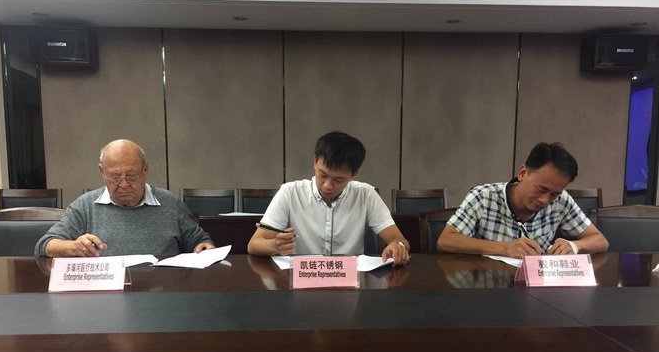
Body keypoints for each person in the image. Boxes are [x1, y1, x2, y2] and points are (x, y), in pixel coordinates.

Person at [247, 131, 410, 265]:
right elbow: (254, 245)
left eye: (339, 180)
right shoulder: (290, 193)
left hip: (349, 282)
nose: (327, 185)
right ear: (315, 162)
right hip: (302, 279)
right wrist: (275, 245)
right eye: (323, 175)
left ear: (353, 175)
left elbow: (400, 240)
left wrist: (398, 245)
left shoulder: (365, 195)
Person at [35, 139, 215, 257]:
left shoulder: (170, 203)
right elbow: (44, 245)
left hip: (161, 292)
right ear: (102, 172)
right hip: (106, 295)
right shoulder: (85, 206)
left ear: (145, 170)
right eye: (114, 177)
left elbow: (199, 241)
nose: (123, 184)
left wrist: (205, 246)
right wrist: (74, 247)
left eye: (131, 176)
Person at [437, 142, 609, 258]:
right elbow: (446, 241)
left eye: (554, 194)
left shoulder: (561, 201)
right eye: (541, 189)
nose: (545, 200)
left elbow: (600, 240)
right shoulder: (483, 196)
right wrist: (505, 248)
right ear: (523, 173)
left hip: (539, 291)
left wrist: (575, 246)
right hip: (490, 289)